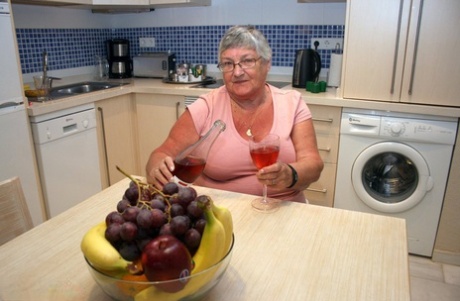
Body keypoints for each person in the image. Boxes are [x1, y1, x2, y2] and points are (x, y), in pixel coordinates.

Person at [146, 25, 323, 203]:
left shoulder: (292, 103)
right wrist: (157, 168)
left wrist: (291, 174)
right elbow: (160, 154)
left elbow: (313, 164)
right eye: (228, 64)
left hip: (285, 209)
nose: (237, 72)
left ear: (267, 63)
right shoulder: (206, 106)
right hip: (221, 213)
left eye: (247, 61)